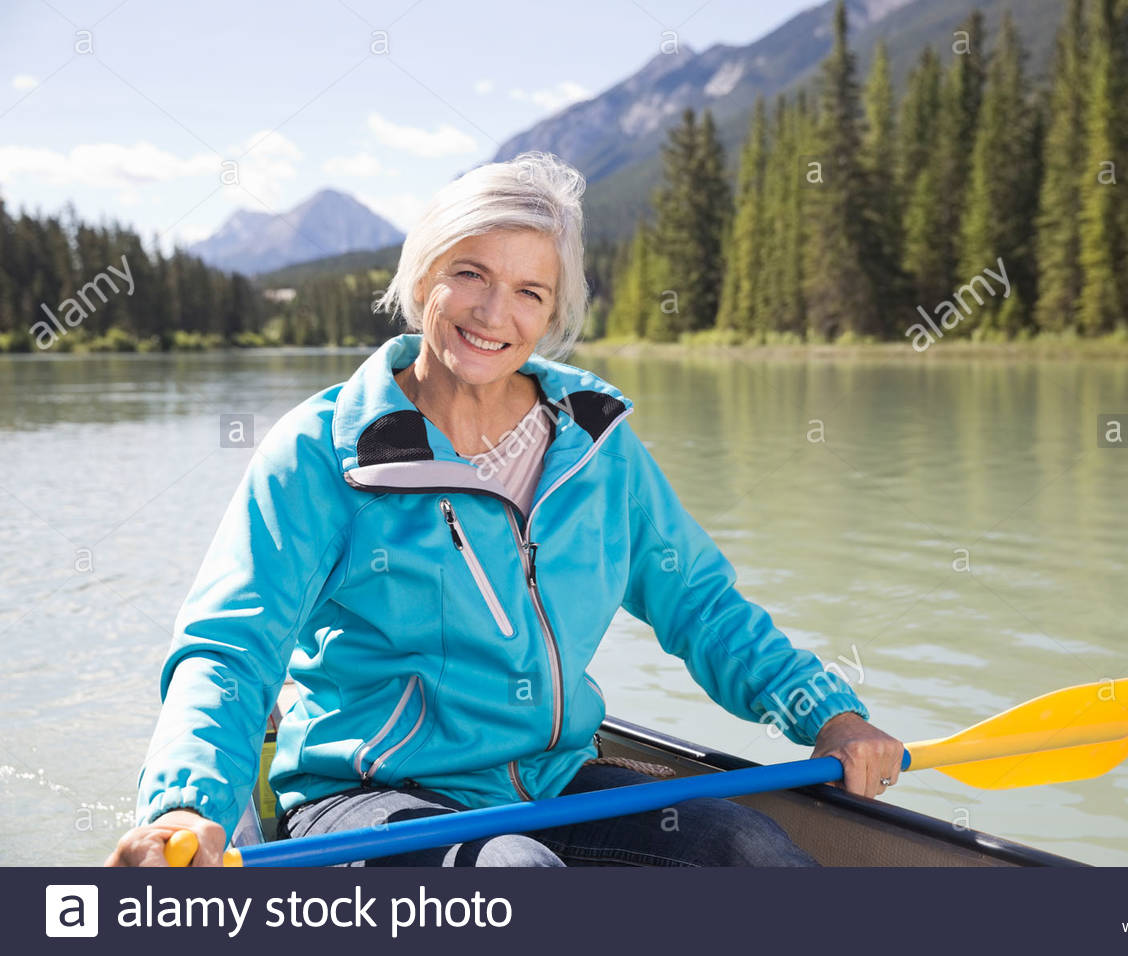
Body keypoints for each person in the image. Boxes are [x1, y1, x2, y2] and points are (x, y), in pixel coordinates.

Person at [106, 151, 904, 868]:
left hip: (554, 779)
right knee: (515, 878)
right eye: (471, 274)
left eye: (530, 291)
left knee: (749, 849)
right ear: (423, 277)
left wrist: (826, 714)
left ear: (553, 314)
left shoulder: (597, 447)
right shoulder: (318, 453)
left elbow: (700, 604)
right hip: (367, 799)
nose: (495, 314)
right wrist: (186, 804)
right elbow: (231, 649)